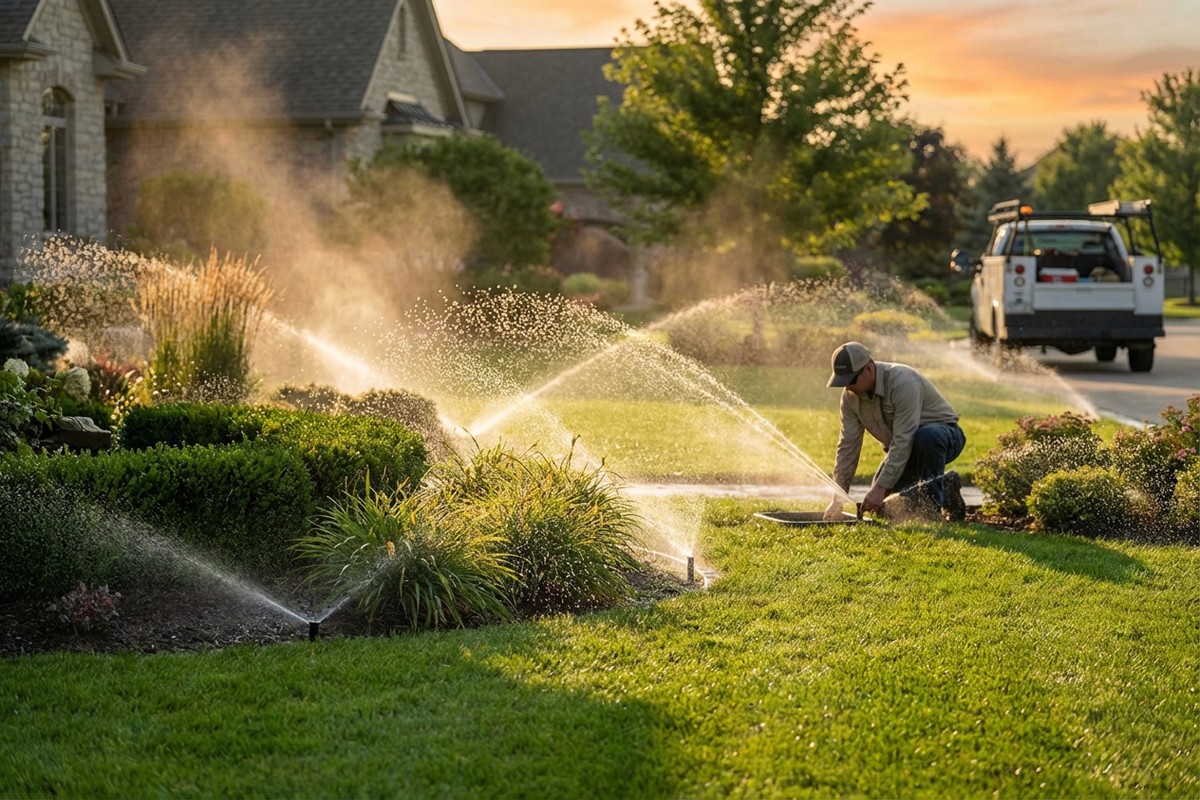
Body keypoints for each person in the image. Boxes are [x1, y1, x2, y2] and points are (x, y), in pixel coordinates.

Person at [822, 341, 967, 521]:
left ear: (868, 369)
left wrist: (880, 488)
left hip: (943, 438)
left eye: (851, 380)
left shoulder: (902, 381)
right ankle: (947, 485)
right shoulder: (850, 398)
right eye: (843, 382)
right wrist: (838, 497)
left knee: (926, 437)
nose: (848, 387)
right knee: (882, 509)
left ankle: (931, 512)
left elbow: (904, 439)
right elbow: (847, 447)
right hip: (903, 449)